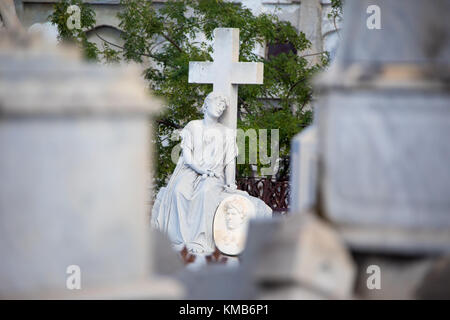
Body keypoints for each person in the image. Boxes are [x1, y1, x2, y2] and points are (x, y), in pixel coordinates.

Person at [151, 92, 271, 254]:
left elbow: (229, 161)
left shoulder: (227, 133)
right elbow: (187, 154)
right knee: (179, 191)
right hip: (191, 169)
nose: (220, 108)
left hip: (214, 174)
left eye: (223, 106)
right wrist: (199, 170)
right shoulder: (193, 126)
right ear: (206, 105)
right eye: (217, 103)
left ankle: (199, 240)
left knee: (205, 193)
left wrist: (230, 182)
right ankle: (179, 239)